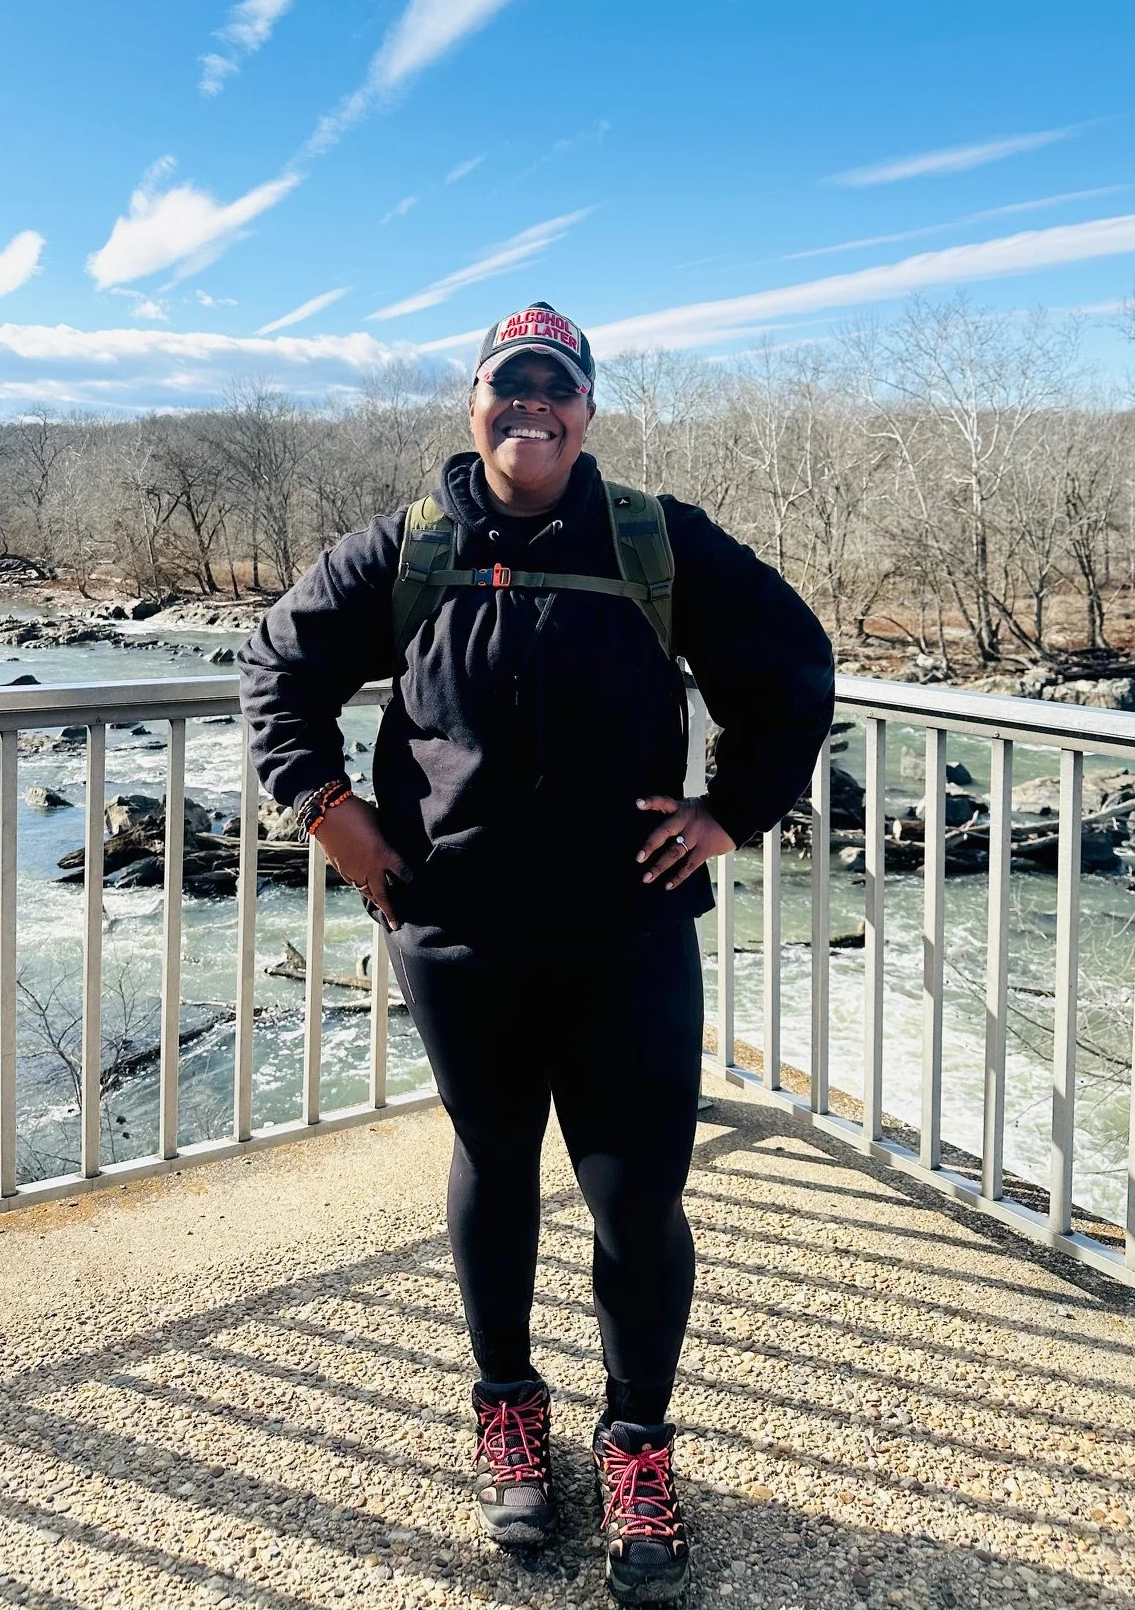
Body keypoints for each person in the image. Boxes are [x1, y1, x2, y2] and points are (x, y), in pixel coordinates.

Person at [239, 301, 833, 1605]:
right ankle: (507, 1409)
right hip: (460, 938)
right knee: (496, 1165)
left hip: (626, 940)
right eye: (511, 386)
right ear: (475, 405)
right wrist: (334, 819)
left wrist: (729, 810)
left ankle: (636, 1446)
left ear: (588, 409)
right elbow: (277, 667)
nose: (533, 409)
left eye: (556, 388)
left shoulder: (652, 543)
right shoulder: (413, 550)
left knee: (637, 1201)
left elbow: (792, 666)